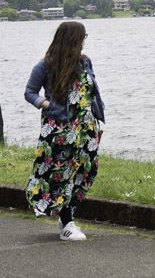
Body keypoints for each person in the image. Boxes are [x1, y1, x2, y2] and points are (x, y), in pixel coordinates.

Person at [24, 20, 105, 241]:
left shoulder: (85, 62)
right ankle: (67, 224)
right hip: (59, 130)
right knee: (62, 175)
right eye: (82, 37)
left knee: (86, 171)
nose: (84, 41)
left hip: (86, 129)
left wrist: (97, 118)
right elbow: (30, 92)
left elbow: (90, 93)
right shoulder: (46, 65)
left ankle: (66, 216)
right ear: (72, 39)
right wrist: (48, 105)